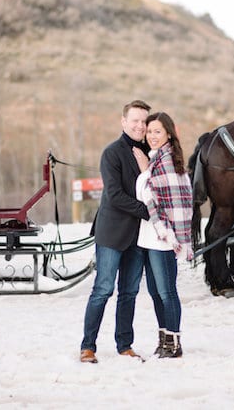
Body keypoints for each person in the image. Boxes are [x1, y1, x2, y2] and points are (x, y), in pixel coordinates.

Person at [80, 99, 152, 364]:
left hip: (139, 235)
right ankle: (88, 347)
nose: (140, 126)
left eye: (144, 121)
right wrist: (148, 210)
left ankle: (125, 345)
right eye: (135, 120)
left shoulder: (151, 153)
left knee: (130, 292)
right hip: (112, 232)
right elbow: (114, 195)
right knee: (103, 289)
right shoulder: (112, 152)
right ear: (124, 122)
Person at [133, 111, 193, 359]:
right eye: (149, 132)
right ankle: (164, 339)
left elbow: (175, 202)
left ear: (169, 133)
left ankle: (175, 343)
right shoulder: (155, 159)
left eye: (158, 131)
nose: (152, 136)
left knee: (167, 291)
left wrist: (145, 171)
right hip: (149, 235)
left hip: (164, 237)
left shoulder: (167, 161)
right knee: (156, 292)